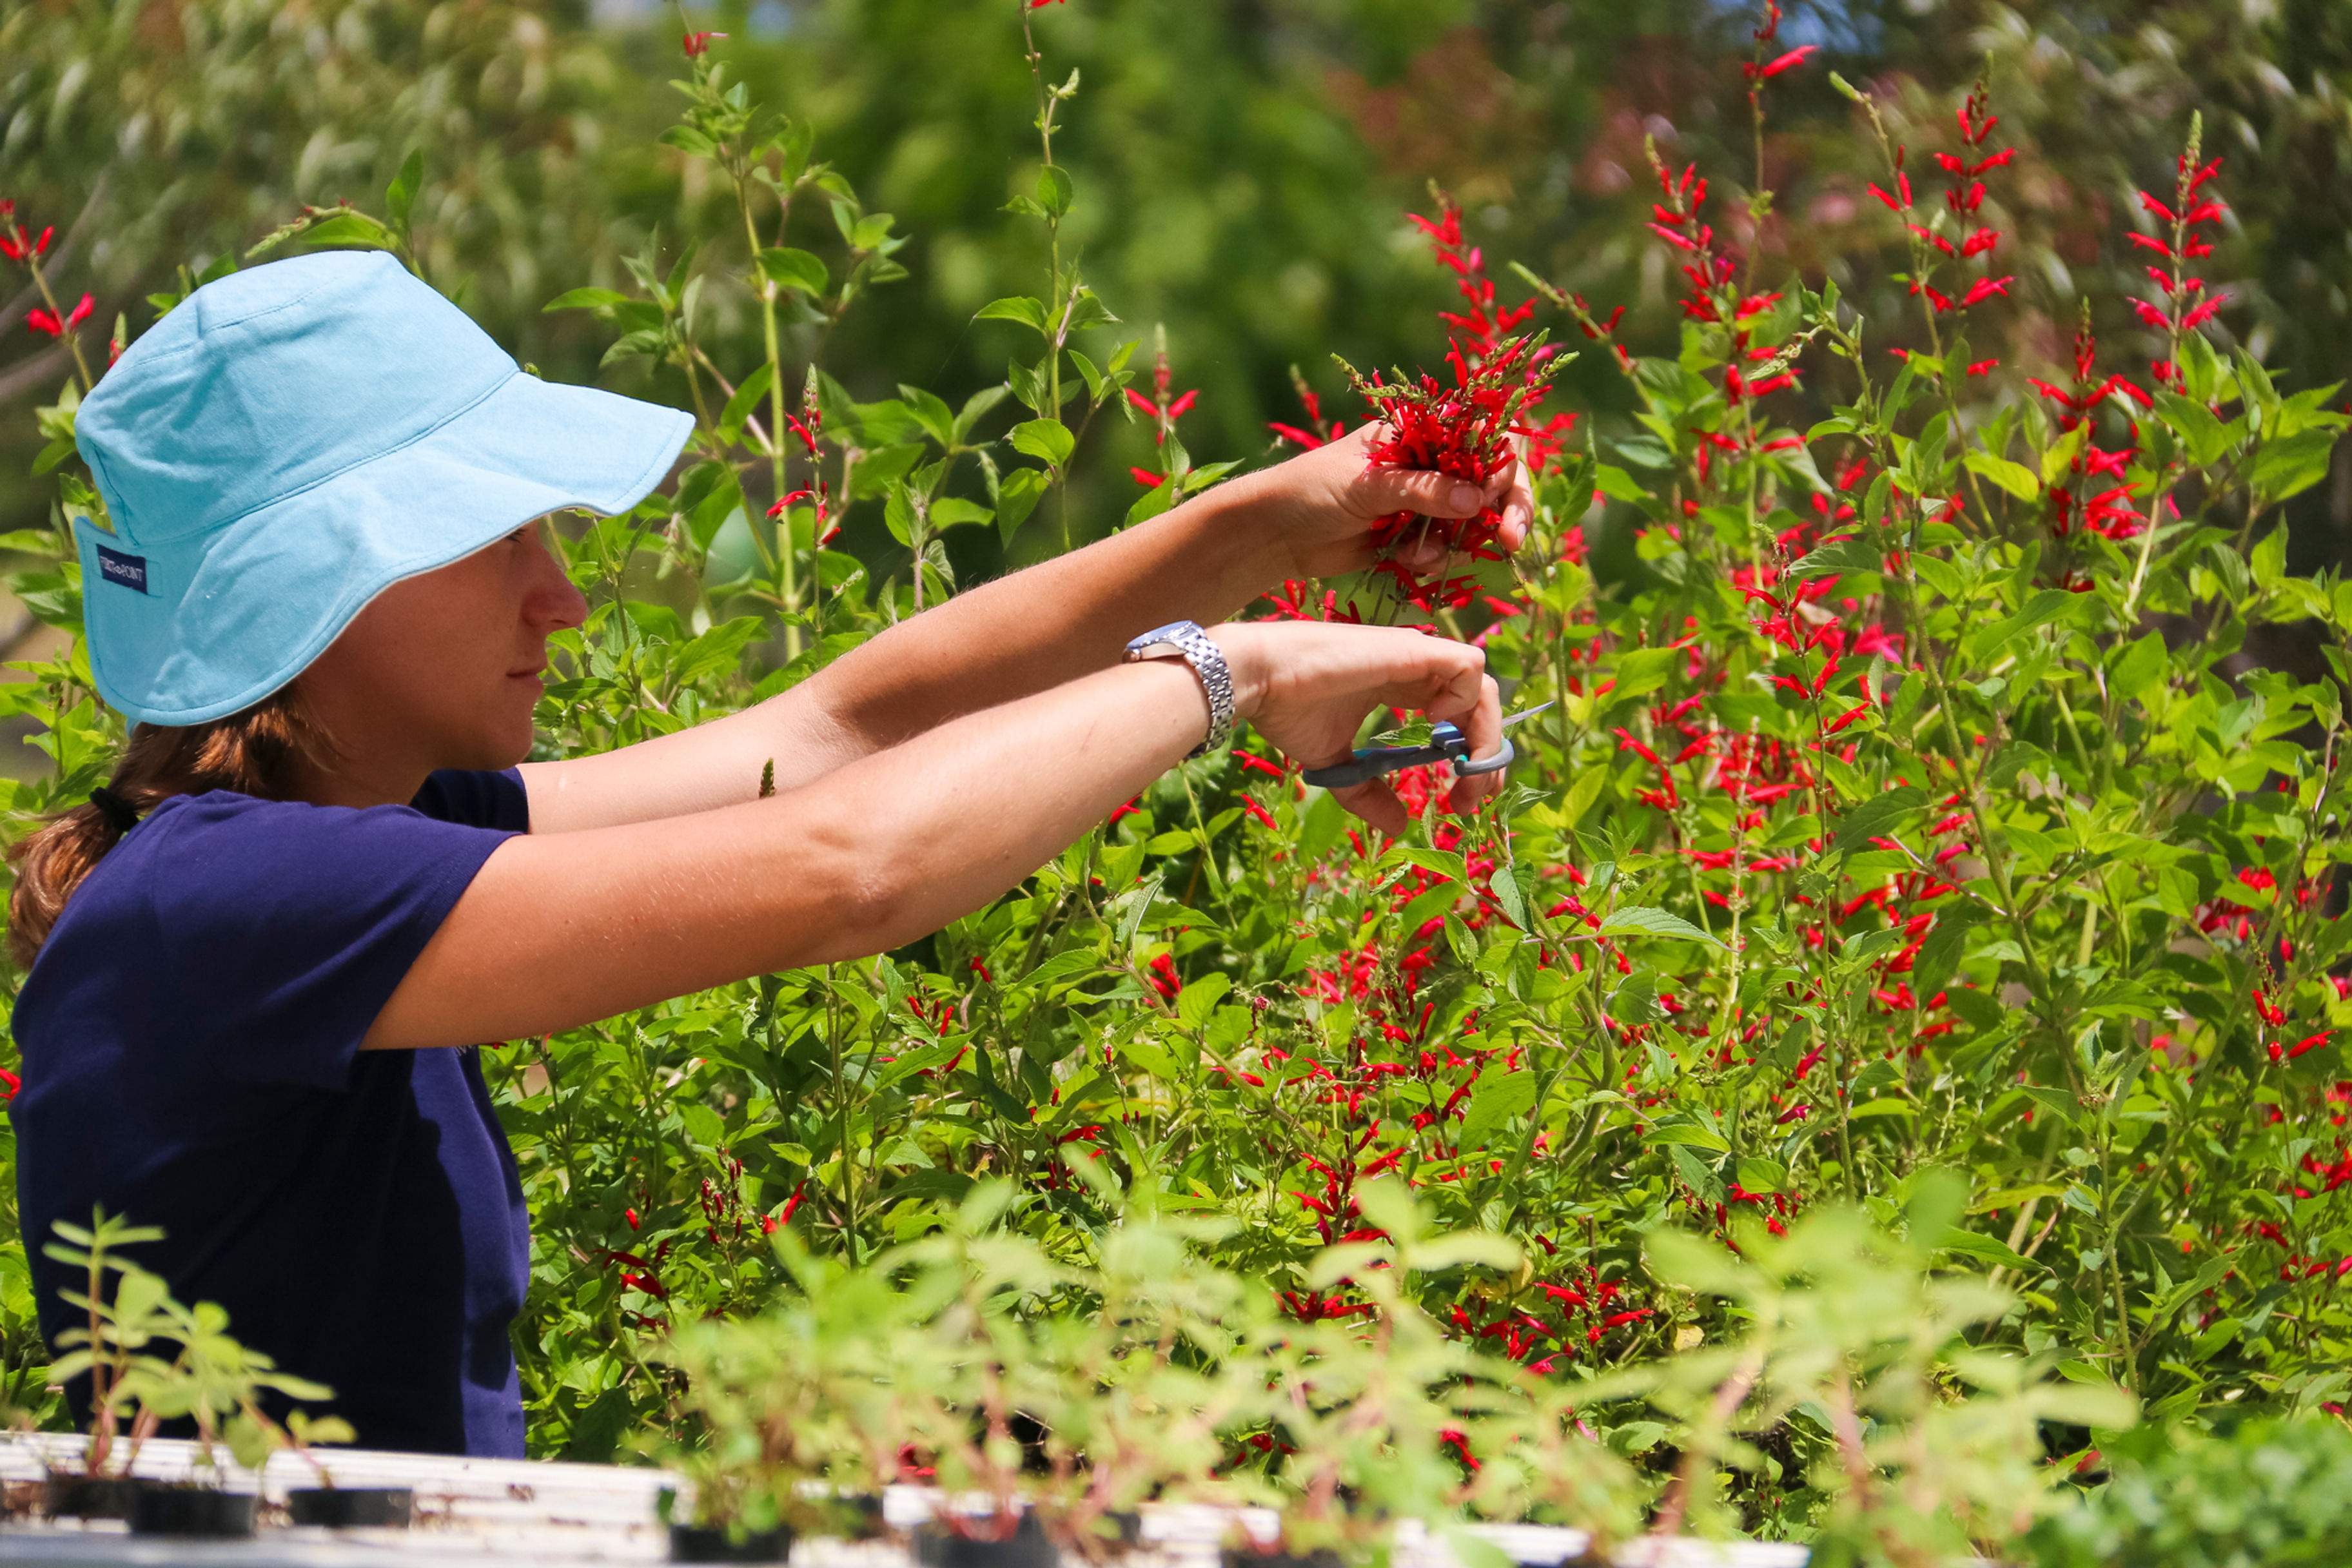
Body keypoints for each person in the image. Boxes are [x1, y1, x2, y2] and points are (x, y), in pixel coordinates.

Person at [8, 251, 1524, 1456]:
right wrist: (1230, 677)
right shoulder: (231, 902)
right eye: (495, 537)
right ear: (322, 580)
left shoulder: (349, 846)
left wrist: (1268, 521)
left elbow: (844, 727)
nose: (562, 598)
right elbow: (847, 865)